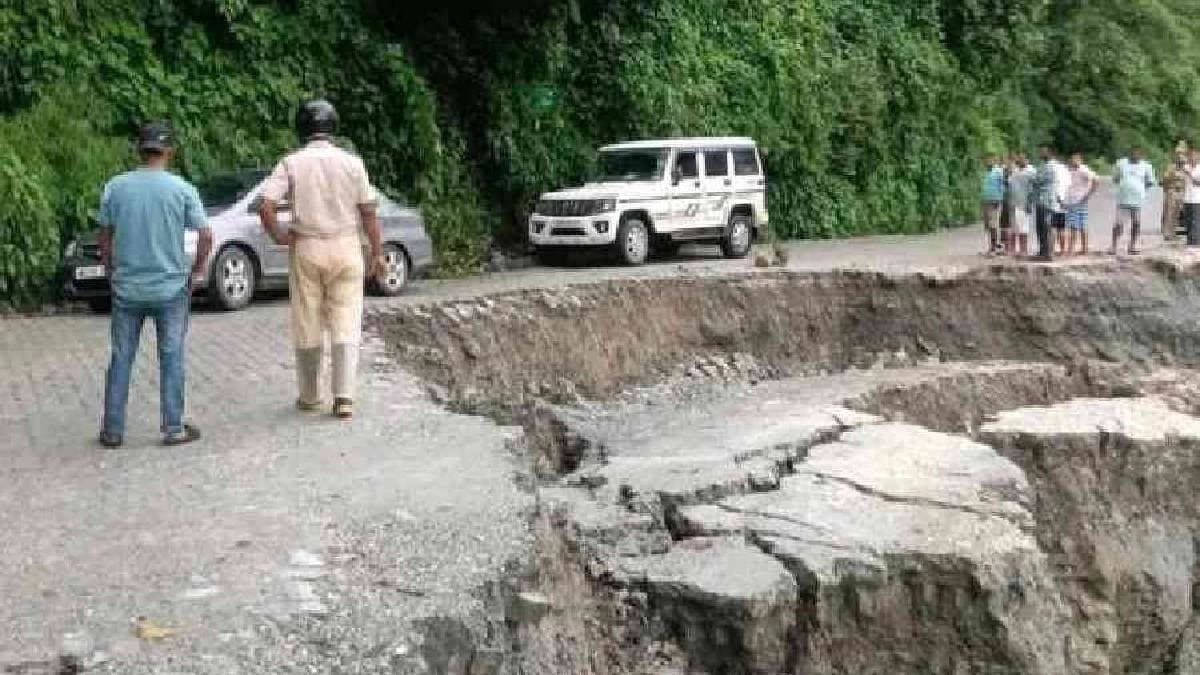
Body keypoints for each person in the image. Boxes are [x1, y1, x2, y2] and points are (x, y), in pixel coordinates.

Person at [258, 99, 386, 420]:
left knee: (307, 322)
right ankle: (344, 397)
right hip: (346, 246)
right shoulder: (353, 164)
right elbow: (369, 211)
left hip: (307, 247)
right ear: (334, 127)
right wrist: (378, 251)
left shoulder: (290, 163)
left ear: (301, 128)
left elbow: (265, 205)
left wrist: (279, 235)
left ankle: (310, 395)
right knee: (346, 319)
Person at [97, 122, 213, 447]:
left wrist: (110, 269)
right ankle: (173, 427)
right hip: (170, 289)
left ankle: (112, 430)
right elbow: (206, 235)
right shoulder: (182, 189)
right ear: (169, 152)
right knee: (171, 355)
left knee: (121, 356)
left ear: (139, 149)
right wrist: (198, 270)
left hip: (126, 288)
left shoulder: (115, 187)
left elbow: (104, 234)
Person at [1112, 147, 1156, 255]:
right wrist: (1124, 186)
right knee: (1119, 223)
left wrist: (1140, 189)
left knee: (1136, 223)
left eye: (1137, 154)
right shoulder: (1121, 163)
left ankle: (1133, 245)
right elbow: (1116, 178)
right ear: (1129, 154)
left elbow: (1150, 181)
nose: (1135, 156)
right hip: (1123, 198)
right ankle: (1114, 246)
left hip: (1138, 200)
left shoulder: (1147, 166)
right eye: (1133, 154)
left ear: (1141, 155)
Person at [1063, 153, 1097, 255]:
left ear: (1080, 160)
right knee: (1080, 224)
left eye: (1076, 159)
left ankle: (1072, 249)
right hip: (1073, 200)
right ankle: (1083, 248)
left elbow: (1096, 180)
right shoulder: (1070, 170)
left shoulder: (1083, 169)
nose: (1073, 161)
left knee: (1075, 225)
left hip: (1077, 200)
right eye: (1072, 159)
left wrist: (1088, 195)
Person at [1030, 147, 1060, 261]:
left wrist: (1035, 179)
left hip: (1047, 200)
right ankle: (1042, 251)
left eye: (1043, 152)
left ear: (1049, 153)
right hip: (1040, 200)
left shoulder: (1051, 166)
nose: (1041, 153)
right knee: (1040, 227)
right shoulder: (1043, 165)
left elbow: (1038, 180)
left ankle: (1049, 253)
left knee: (1047, 226)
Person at [1007, 153, 1037, 256]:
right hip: (1013, 203)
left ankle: (1023, 250)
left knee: (1023, 228)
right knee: (1013, 227)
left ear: (1027, 160)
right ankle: (1013, 250)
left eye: (1023, 159)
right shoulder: (1015, 171)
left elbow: (1034, 187)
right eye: (1019, 159)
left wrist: (1030, 202)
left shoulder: (1031, 171)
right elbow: (1009, 183)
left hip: (1024, 203)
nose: (1020, 160)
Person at [1162, 145, 1189, 242]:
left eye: (1183, 162)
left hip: (1181, 192)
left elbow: (1187, 181)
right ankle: (1167, 233)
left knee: (1177, 213)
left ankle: (1173, 232)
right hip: (1172, 190)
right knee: (1169, 212)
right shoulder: (1171, 167)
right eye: (1180, 161)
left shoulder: (1186, 170)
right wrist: (1167, 189)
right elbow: (1165, 179)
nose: (1182, 163)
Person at [980, 155, 1005, 255]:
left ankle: (995, 247)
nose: (988, 161)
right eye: (986, 159)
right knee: (987, 225)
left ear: (993, 160)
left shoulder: (998, 171)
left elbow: (1002, 185)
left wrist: (999, 199)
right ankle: (991, 246)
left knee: (993, 224)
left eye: (990, 160)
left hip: (995, 201)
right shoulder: (984, 172)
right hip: (985, 200)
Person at [1049, 151, 1071, 254]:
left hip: (1055, 201)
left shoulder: (1053, 169)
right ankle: (1062, 250)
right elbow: (1069, 185)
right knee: (1062, 228)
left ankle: (1052, 249)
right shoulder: (1066, 171)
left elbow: (1054, 186)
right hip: (1064, 201)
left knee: (1053, 227)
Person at [1183, 147, 1200, 247]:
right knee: (1188, 220)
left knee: (1196, 220)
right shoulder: (1185, 167)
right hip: (1187, 197)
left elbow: (1198, 182)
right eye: (1190, 155)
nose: (1192, 157)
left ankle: (1196, 241)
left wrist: (1190, 174)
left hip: (1197, 198)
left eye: (1194, 156)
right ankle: (1189, 240)